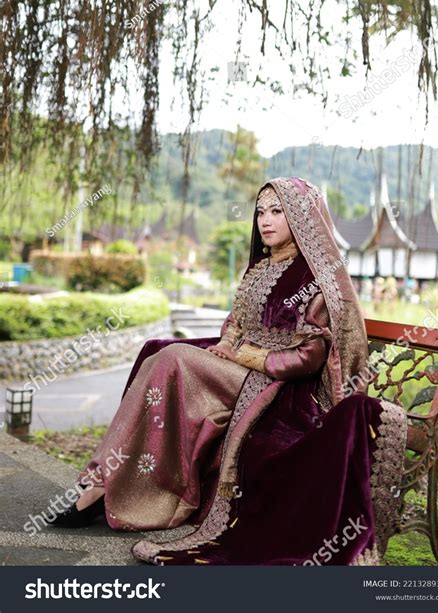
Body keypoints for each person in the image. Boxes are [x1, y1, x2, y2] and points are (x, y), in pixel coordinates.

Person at [48, 177, 407, 566]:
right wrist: (227, 344)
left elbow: (310, 357)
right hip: (238, 373)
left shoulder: (314, 277)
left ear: (302, 218)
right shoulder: (261, 269)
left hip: (275, 386)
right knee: (158, 354)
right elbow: (236, 322)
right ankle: (114, 483)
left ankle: (103, 485)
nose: (265, 221)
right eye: (260, 212)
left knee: (173, 360)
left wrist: (246, 356)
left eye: (277, 211)